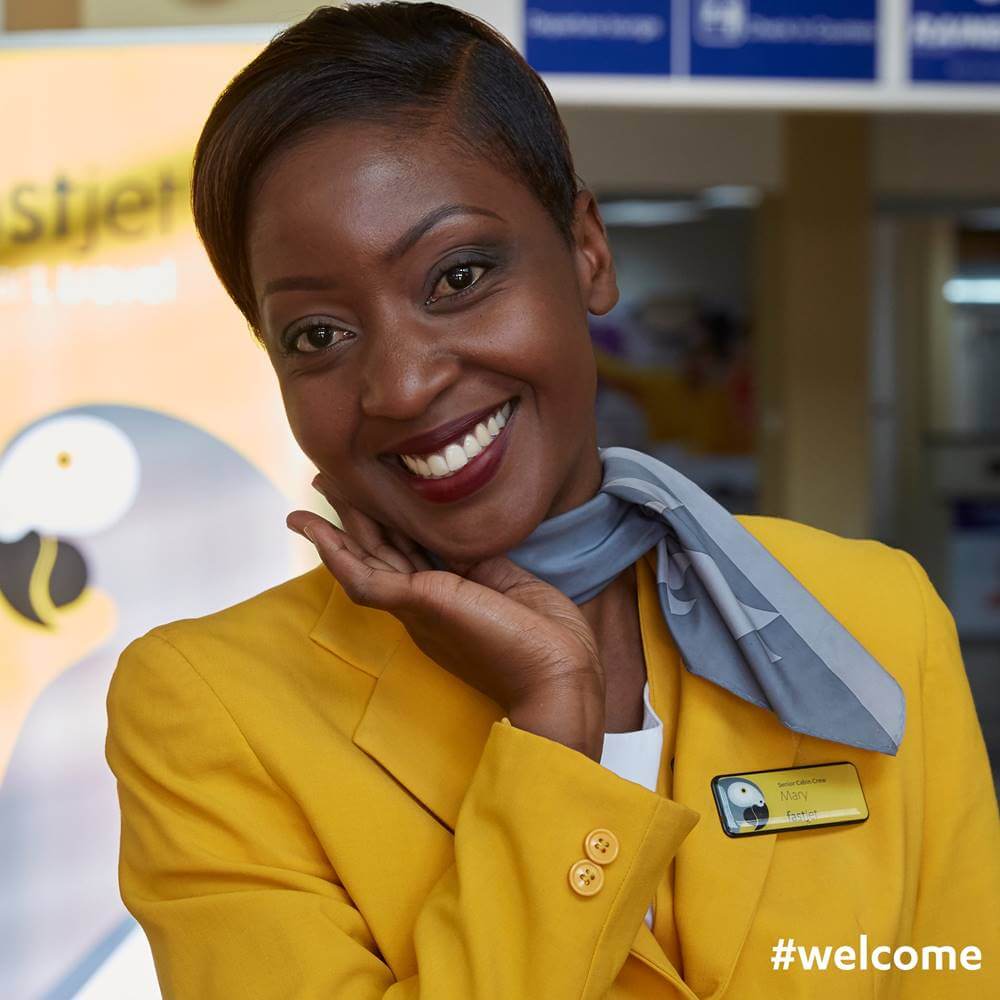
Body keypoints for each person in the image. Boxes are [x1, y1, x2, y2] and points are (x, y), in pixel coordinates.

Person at [105, 4, 1000, 998]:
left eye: (458, 275)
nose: (400, 385)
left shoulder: (869, 618)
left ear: (586, 251)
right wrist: (548, 730)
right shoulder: (211, 708)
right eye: (315, 335)